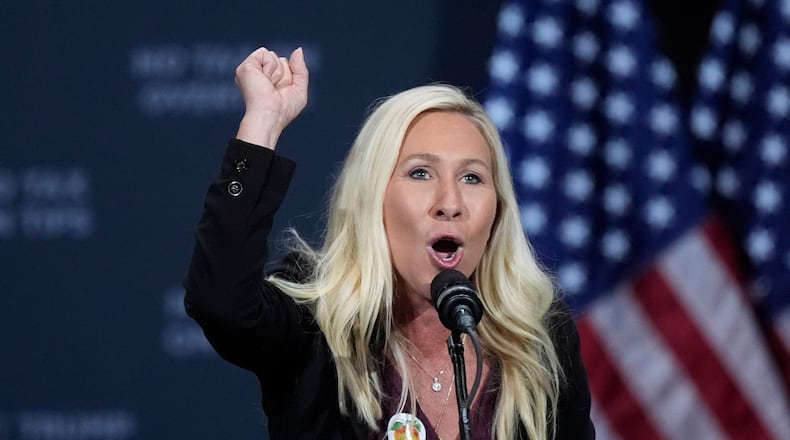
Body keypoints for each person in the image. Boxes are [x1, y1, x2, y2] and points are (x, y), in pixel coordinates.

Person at [184, 46, 595, 440]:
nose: (450, 203)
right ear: (373, 197)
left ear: (498, 210)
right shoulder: (315, 329)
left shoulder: (538, 335)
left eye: (472, 178)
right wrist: (263, 122)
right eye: (420, 173)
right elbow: (220, 301)